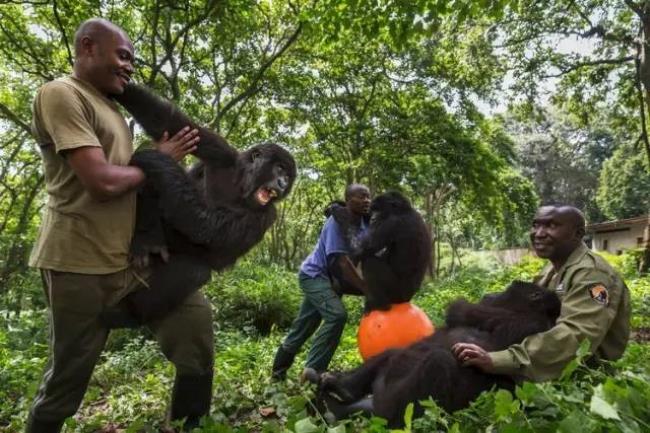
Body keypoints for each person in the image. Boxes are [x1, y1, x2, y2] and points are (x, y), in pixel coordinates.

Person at [26, 18, 213, 433]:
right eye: (123, 56)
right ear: (89, 47)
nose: (129, 67)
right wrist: (161, 159)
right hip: (78, 264)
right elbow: (103, 182)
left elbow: (133, 184)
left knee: (194, 321)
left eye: (132, 60)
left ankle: (188, 422)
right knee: (68, 377)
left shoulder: (111, 109)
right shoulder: (61, 93)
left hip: (129, 263)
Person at [452, 205, 631, 381]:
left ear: (578, 234)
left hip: (580, 370)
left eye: (551, 226)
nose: (538, 233)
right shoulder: (554, 267)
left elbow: (576, 337)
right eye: (536, 225)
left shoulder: (591, 275)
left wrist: (498, 360)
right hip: (543, 358)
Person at [271, 184, 371, 380]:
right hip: (315, 276)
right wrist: (366, 288)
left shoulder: (365, 225)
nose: (367, 200)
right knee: (337, 315)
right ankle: (313, 371)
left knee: (303, 326)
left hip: (333, 282)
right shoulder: (336, 222)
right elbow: (341, 262)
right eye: (361, 197)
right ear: (349, 200)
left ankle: (277, 374)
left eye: (368, 197)